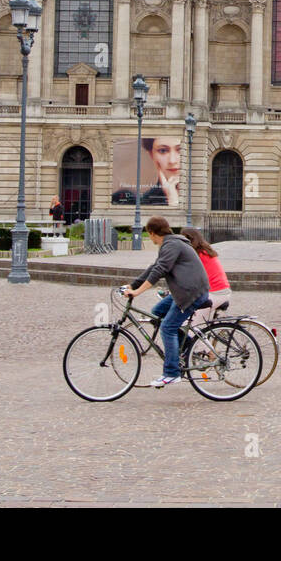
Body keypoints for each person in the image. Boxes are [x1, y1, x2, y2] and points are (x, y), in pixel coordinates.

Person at [118, 216, 209, 388]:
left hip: (191, 293)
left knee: (168, 327)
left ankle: (171, 373)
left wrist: (137, 292)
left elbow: (161, 270)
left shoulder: (172, 244)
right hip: (184, 291)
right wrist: (132, 285)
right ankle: (187, 348)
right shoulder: (169, 243)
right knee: (157, 313)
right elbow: (153, 267)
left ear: (152, 233)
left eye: (149, 235)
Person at [182, 227, 229, 327]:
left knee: (187, 326)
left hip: (215, 293)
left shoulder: (197, 255)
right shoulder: (205, 251)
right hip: (222, 290)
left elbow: (189, 277)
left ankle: (195, 341)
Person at [112, 138, 180, 206]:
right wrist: (172, 201)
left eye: (180, 150)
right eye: (163, 150)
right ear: (151, 155)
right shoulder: (142, 202)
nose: (172, 161)